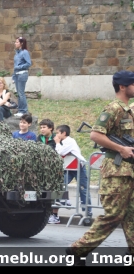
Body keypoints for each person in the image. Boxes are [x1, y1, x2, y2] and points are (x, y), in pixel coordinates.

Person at [66, 71, 134, 266]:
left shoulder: (128, 110)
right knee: (113, 215)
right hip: (117, 173)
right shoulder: (113, 108)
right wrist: (121, 148)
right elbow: (95, 135)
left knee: (132, 217)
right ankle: (77, 250)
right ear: (123, 86)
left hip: (129, 173)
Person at [48, 125, 92, 225]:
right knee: (60, 184)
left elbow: (61, 151)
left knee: (83, 188)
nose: (56, 135)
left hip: (78, 167)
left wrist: (57, 143)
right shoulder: (63, 142)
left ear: (64, 133)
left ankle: (88, 212)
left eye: (58, 133)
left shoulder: (70, 141)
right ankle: (63, 200)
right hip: (68, 167)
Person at [12, 37, 32, 117]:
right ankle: (20, 110)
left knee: (21, 93)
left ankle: (23, 111)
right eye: (15, 42)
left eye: (17, 42)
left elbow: (28, 63)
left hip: (22, 74)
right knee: (19, 93)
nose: (15, 43)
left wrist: (19, 67)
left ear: (21, 43)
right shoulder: (17, 53)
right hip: (17, 75)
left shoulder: (25, 52)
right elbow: (15, 65)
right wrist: (13, 75)